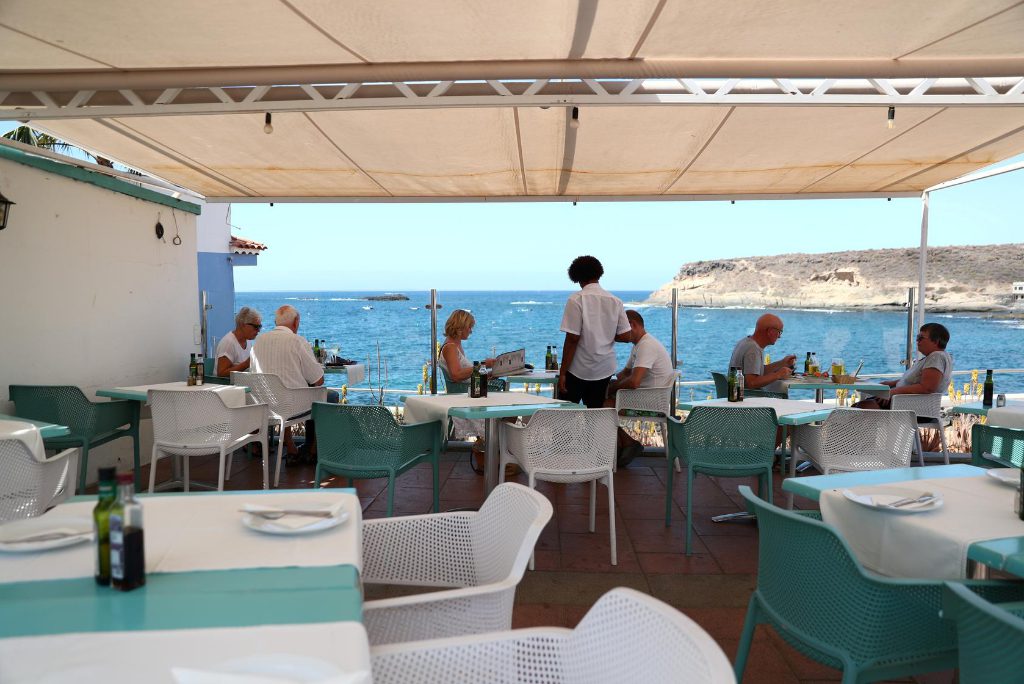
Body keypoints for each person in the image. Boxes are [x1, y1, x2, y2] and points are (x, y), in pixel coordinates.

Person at [251, 305, 332, 463]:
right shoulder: (297, 341)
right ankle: (313, 450)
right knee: (329, 396)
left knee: (281, 392)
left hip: (265, 404)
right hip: (293, 405)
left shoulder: (258, 341)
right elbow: (318, 380)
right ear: (296, 322)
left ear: (276, 322)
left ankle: (291, 447)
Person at [558, 255, 631, 409]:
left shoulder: (576, 300)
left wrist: (563, 372)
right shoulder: (615, 300)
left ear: (576, 277)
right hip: (604, 369)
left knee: (564, 417)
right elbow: (626, 336)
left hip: (578, 369)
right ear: (599, 273)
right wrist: (606, 332)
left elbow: (572, 339)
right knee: (595, 418)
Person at [605, 309, 675, 467]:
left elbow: (634, 382)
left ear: (631, 325)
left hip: (651, 402)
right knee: (598, 399)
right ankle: (624, 446)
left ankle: (624, 446)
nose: (617, 336)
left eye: (619, 330)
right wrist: (608, 382)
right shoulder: (639, 345)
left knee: (603, 407)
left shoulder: (647, 346)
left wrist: (613, 388)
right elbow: (625, 374)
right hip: (647, 397)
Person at [438, 309, 496, 474]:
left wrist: (486, 370)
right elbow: (456, 375)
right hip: (464, 396)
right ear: (460, 327)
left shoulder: (456, 345)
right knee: (505, 411)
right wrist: (483, 367)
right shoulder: (450, 347)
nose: (471, 330)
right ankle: (484, 455)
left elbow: (464, 372)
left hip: (470, 391)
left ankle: (488, 456)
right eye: (469, 327)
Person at [855, 322, 953, 410]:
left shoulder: (936, 357)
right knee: (856, 408)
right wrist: (891, 383)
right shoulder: (933, 357)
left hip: (911, 406)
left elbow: (927, 387)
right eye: (917, 338)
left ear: (936, 341)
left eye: (921, 338)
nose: (917, 341)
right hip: (905, 402)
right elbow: (916, 380)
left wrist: (893, 392)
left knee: (858, 409)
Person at [728, 313, 795, 392]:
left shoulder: (746, 342)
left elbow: (757, 371)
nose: (779, 336)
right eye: (779, 332)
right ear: (770, 331)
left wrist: (782, 363)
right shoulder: (753, 349)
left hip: (735, 395)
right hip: (747, 399)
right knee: (783, 395)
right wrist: (778, 374)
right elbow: (752, 383)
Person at [215, 307, 261, 377]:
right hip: (228, 386)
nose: (258, 330)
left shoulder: (247, 342)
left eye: (260, 326)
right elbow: (221, 373)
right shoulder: (229, 343)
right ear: (242, 325)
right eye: (256, 327)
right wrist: (246, 364)